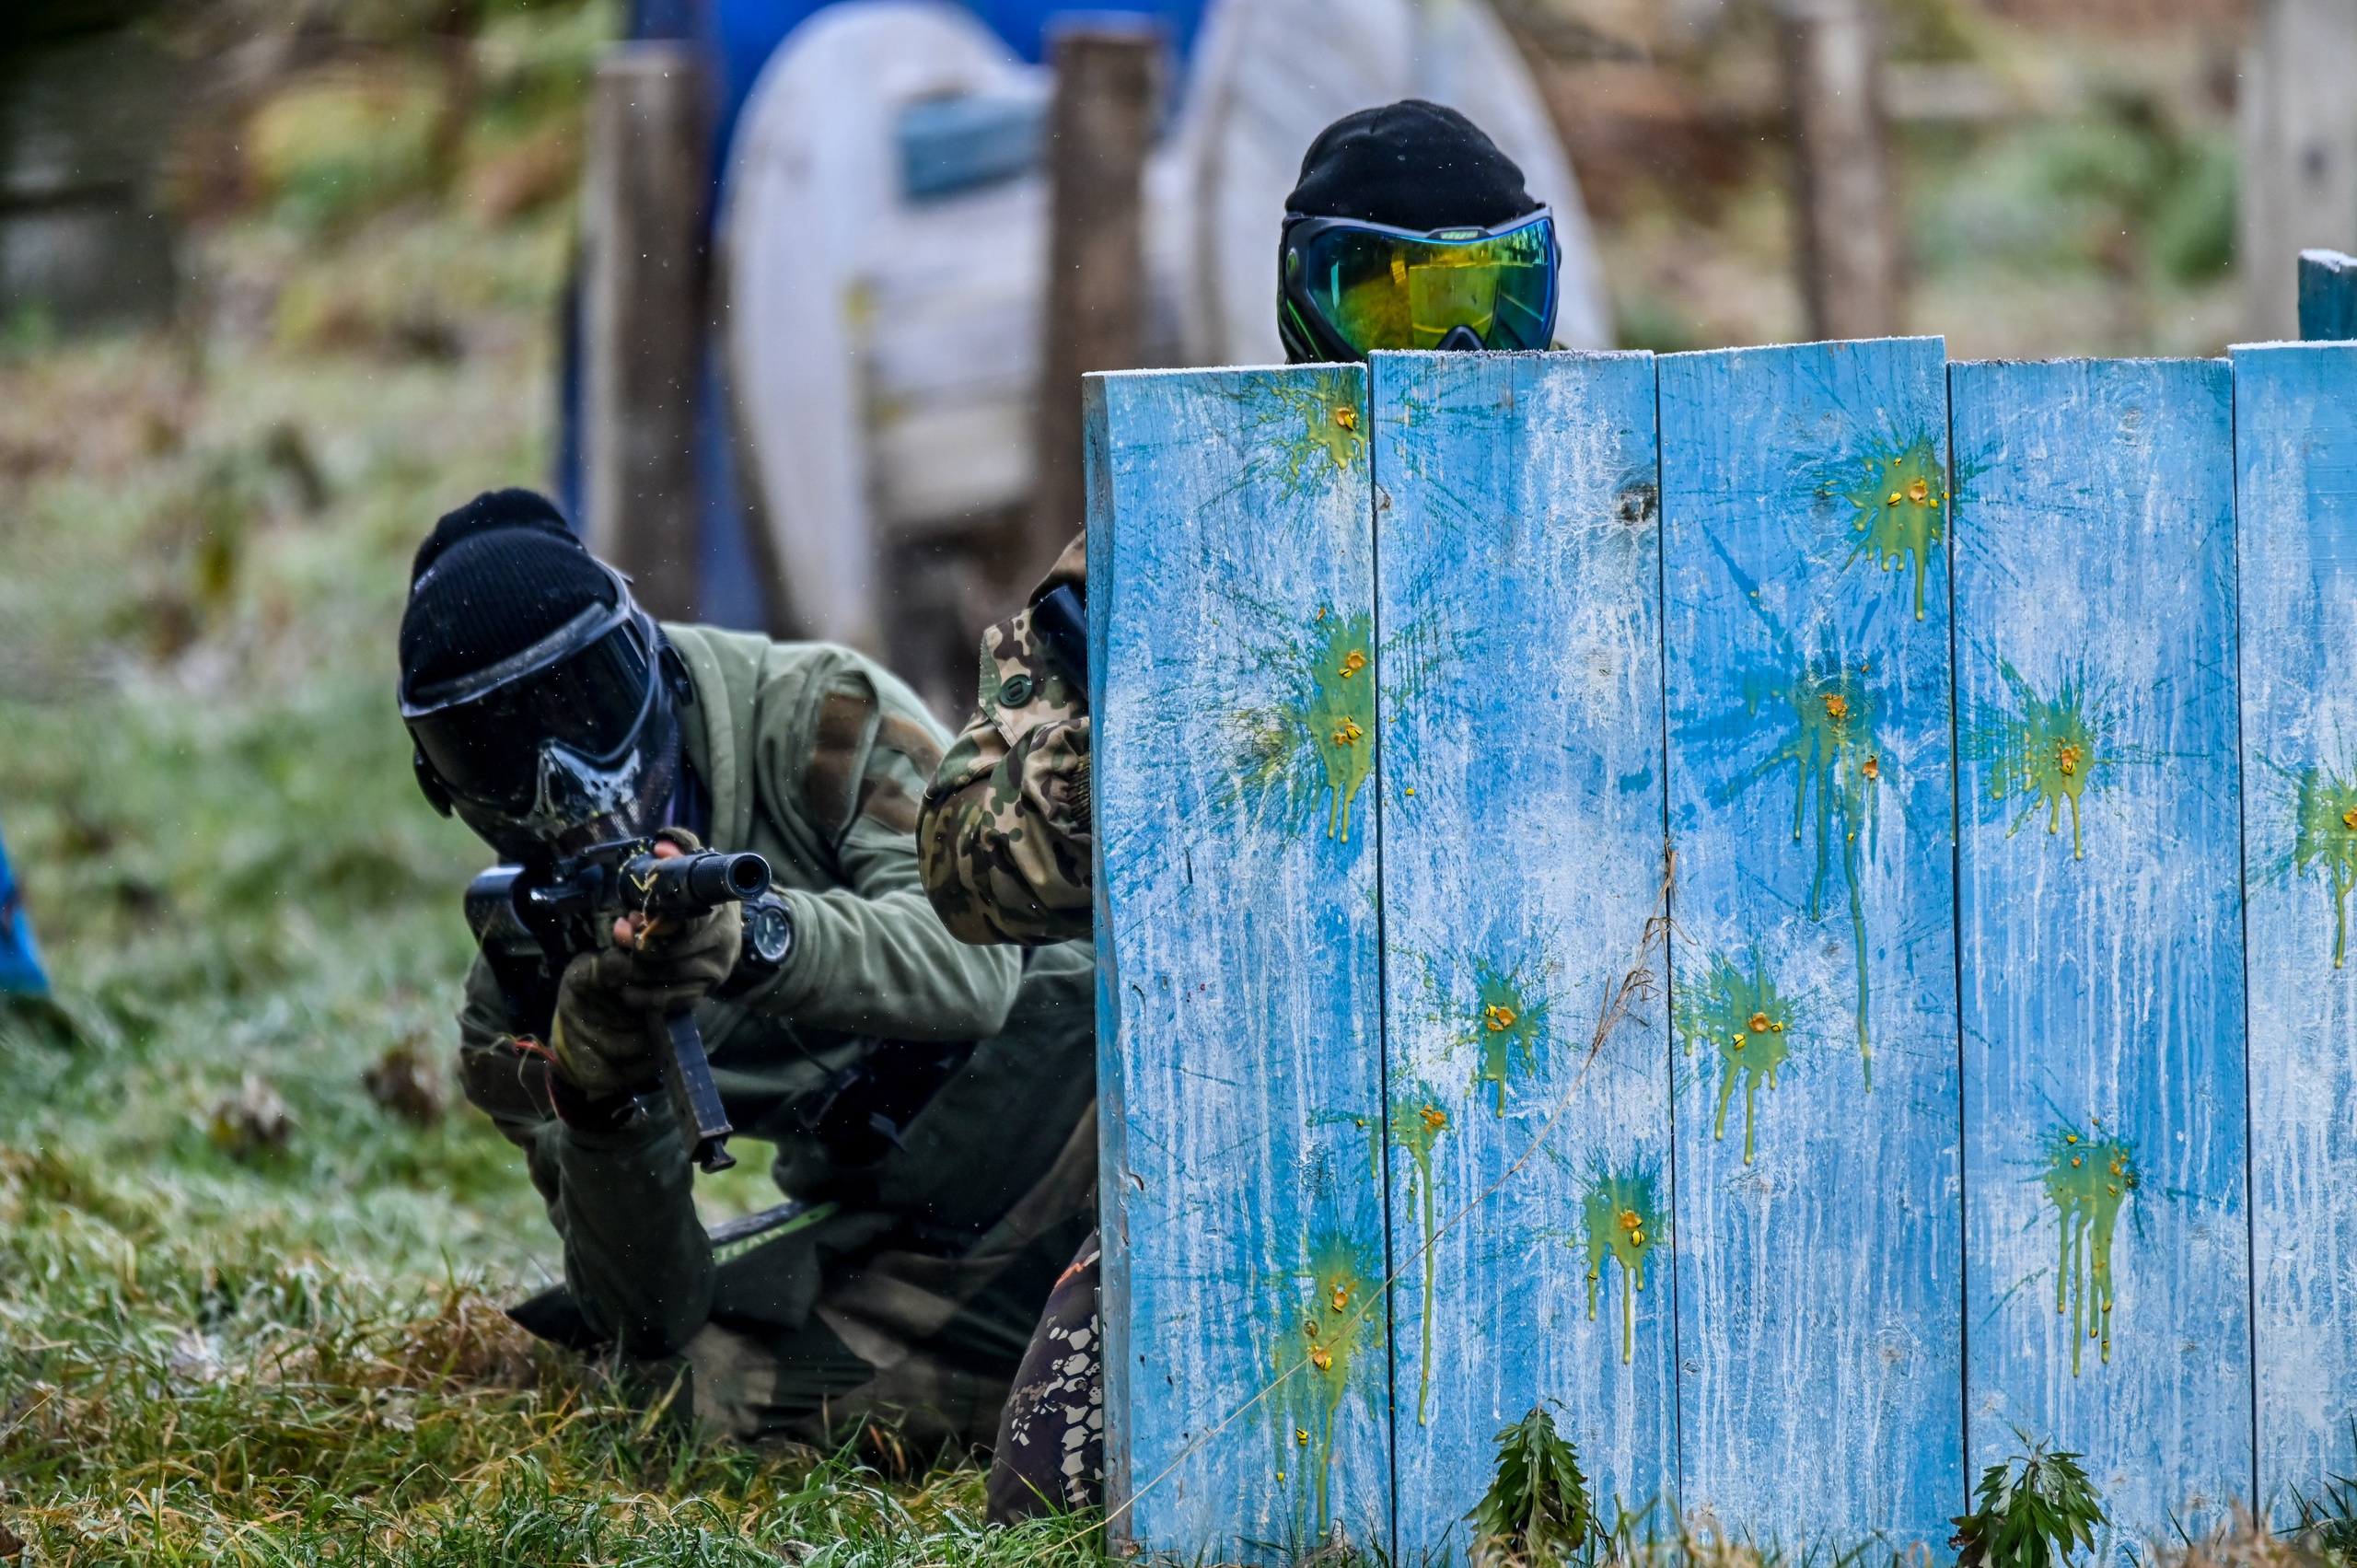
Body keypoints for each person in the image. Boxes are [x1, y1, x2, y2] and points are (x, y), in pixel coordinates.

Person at [917, 98, 1565, 1518]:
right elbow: (970, 869)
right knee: (1050, 1495)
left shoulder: (1622, 487)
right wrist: (1151, 721)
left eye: (1488, 298)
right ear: (1307, 303)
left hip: (1580, 1109)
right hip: (1265, 1126)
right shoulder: (1185, 517)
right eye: (1398, 298)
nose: (1451, 356)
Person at [401, 487, 1096, 1450]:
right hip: (928, 1243)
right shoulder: (521, 999)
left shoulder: (817, 717)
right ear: (445, 787)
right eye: (497, 752)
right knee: (666, 1400)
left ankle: (1074, 1378)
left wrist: (759, 934)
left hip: (1105, 1127)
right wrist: (603, 1105)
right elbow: (649, 1310)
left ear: (645, 653)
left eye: (584, 706)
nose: (565, 782)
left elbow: (970, 967)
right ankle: (1060, 1385)